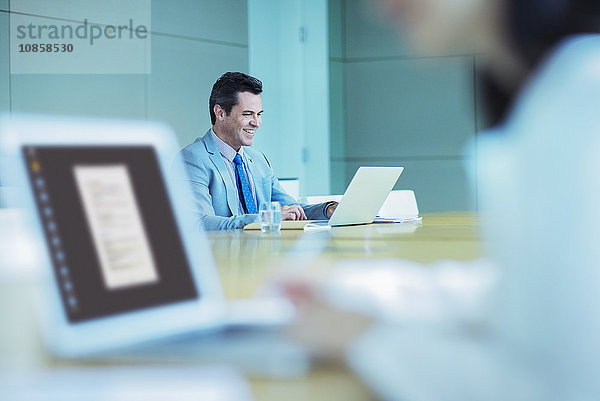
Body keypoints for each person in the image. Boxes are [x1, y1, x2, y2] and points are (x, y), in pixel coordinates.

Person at [274, 0, 600, 400]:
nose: (377, 7)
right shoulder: (551, 83)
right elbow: (529, 300)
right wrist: (359, 288)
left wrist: (366, 341)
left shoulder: (586, 89)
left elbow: (562, 387)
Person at [179, 72, 337, 231]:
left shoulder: (259, 160)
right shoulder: (192, 159)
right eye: (247, 114)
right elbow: (200, 223)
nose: (256, 123)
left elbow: (291, 209)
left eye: (259, 114)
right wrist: (265, 218)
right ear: (220, 113)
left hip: (263, 252)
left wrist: (328, 210)